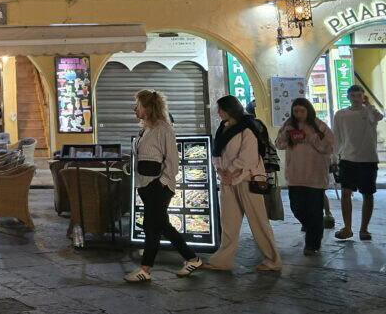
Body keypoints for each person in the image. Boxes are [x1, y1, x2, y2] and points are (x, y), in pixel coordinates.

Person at [124, 90, 201, 282]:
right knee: (160, 225)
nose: (136, 109)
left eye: (139, 105)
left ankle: (145, 269)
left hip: (158, 187)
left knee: (152, 226)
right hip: (145, 186)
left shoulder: (163, 129)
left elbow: (173, 162)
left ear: (148, 108)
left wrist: (162, 183)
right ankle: (192, 258)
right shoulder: (146, 129)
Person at [205, 96, 282, 272]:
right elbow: (216, 152)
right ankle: (222, 261)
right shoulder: (223, 129)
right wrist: (220, 171)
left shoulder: (248, 129)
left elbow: (247, 157)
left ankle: (273, 260)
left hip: (248, 179)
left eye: (220, 109)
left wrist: (230, 171)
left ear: (229, 109)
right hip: (227, 181)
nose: (218, 112)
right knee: (229, 222)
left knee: (258, 221)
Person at [274, 98, 335, 255]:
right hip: (295, 176)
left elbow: (329, 147)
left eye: (302, 111)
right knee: (297, 208)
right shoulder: (289, 126)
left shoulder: (319, 126)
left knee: (314, 211)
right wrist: (286, 135)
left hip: (315, 177)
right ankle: (314, 227)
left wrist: (311, 136)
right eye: (296, 111)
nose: (299, 114)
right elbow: (279, 145)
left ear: (308, 110)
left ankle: (312, 244)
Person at [333, 85, 383, 241]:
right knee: (346, 193)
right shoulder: (341, 114)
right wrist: (334, 158)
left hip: (368, 159)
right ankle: (347, 228)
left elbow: (379, 116)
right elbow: (337, 137)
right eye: (353, 95)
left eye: (359, 95)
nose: (356, 98)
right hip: (347, 158)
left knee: (368, 194)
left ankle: (364, 229)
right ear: (348, 97)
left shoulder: (369, 112)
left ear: (363, 96)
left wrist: (368, 105)